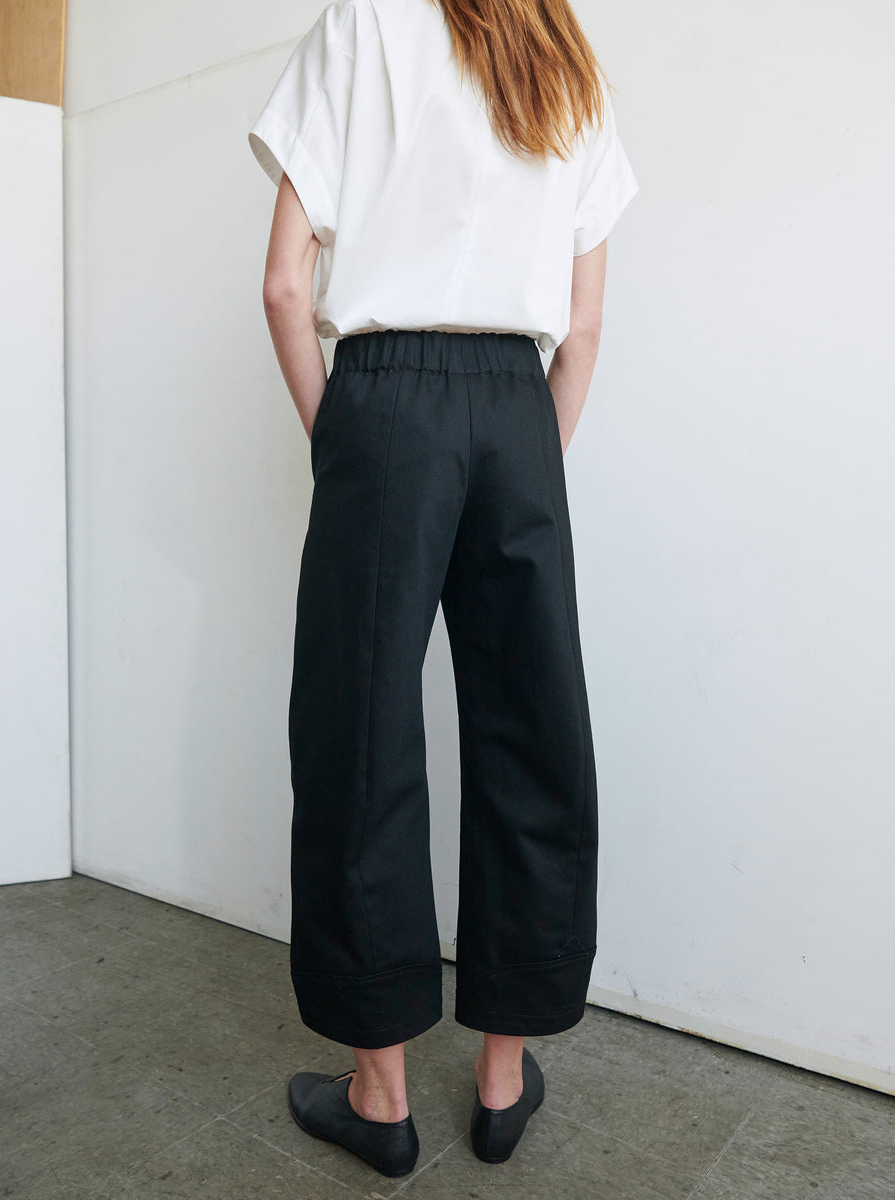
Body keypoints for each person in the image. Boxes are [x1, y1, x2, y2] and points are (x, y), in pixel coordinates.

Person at [248, 0, 638, 1178]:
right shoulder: (567, 55)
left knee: (360, 733)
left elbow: (281, 283)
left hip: (385, 398)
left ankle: (382, 1096)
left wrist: (351, 445)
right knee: (533, 733)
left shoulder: (362, 21)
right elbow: (582, 327)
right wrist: (521, 458)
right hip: (518, 412)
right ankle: (505, 1078)